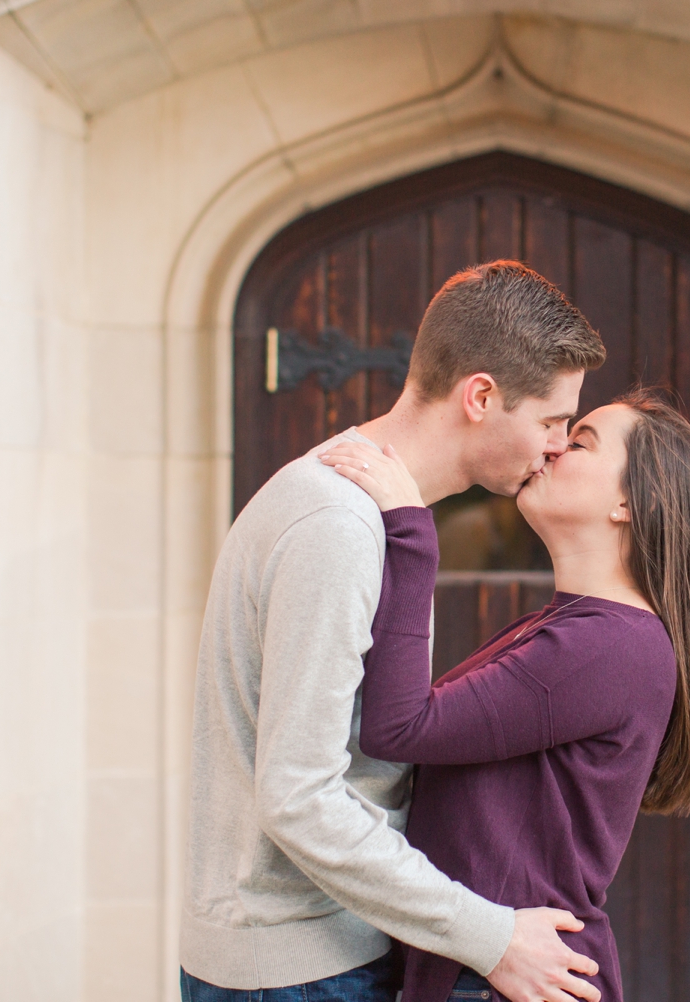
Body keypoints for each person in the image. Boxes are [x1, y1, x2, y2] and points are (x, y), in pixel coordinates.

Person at [180, 261, 608, 1002]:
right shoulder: (337, 524)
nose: (558, 446)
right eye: (550, 421)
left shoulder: (366, 511)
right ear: (481, 396)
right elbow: (299, 798)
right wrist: (490, 936)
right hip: (302, 974)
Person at [319, 389, 690, 1002]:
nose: (552, 445)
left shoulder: (609, 647)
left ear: (629, 502)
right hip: (492, 967)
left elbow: (402, 728)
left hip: (507, 979)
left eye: (579, 443)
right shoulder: (576, 626)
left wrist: (411, 531)